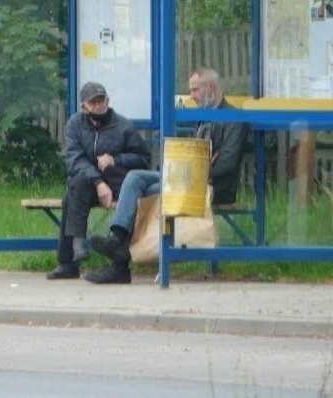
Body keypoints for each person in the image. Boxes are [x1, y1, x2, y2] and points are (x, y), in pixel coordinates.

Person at [85, 67, 249, 284]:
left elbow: (227, 163)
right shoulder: (204, 115)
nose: (191, 96)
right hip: (184, 179)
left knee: (142, 194)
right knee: (134, 177)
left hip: (208, 186)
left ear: (211, 88)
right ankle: (117, 239)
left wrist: (192, 172)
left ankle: (119, 262)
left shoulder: (233, 119)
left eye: (195, 90)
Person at [47, 81, 151, 280]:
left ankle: (93, 261)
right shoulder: (74, 125)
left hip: (120, 182)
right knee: (74, 189)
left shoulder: (123, 126)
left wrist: (115, 159)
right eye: (92, 102)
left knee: (74, 197)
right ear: (83, 106)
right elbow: (74, 159)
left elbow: (143, 158)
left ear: (108, 100)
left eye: (100, 100)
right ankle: (74, 252)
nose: (97, 105)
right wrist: (98, 182)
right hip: (91, 184)